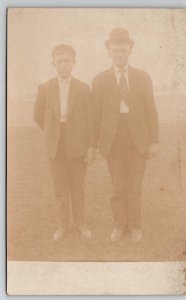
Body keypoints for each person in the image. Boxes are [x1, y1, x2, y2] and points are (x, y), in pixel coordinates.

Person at [92, 28, 159, 242]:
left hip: (137, 138)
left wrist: (154, 141)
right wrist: (93, 145)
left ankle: (135, 226)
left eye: (123, 49)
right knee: (118, 184)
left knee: (135, 184)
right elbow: (95, 116)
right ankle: (120, 225)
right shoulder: (100, 79)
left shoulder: (142, 77)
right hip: (112, 140)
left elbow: (151, 110)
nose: (119, 53)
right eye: (115, 50)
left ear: (130, 49)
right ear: (108, 51)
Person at [33, 44, 95, 241]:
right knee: (59, 188)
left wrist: (90, 147)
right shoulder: (45, 88)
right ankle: (62, 226)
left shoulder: (84, 88)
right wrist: (53, 132)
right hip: (55, 147)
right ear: (53, 63)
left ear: (74, 62)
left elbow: (90, 120)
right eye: (59, 61)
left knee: (78, 188)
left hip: (77, 146)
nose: (63, 65)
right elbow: (38, 116)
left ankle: (81, 224)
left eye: (67, 60)